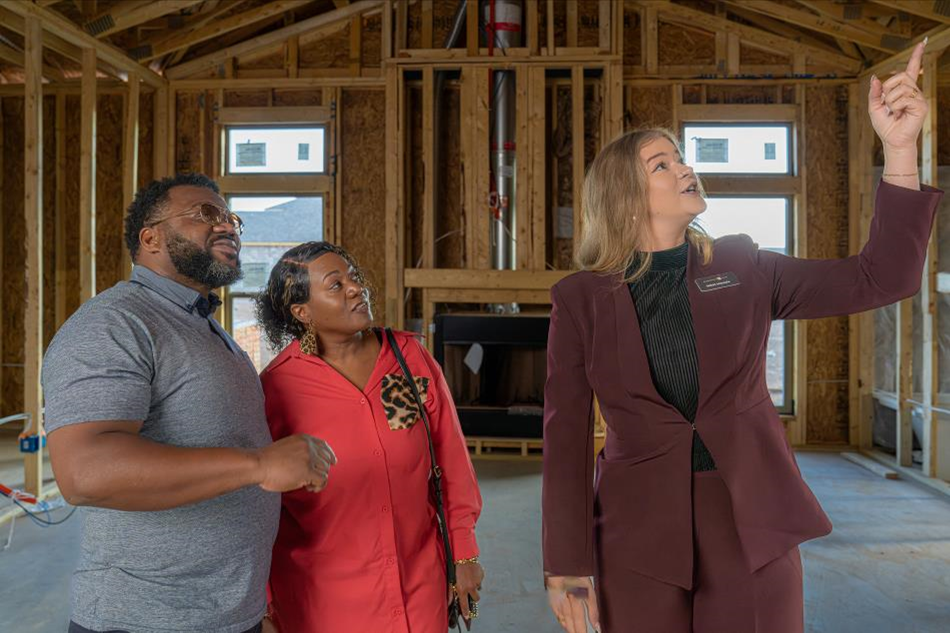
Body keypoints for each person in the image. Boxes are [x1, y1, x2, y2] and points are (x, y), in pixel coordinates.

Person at [541, 41, 942, 633]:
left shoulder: (746, 266)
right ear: (623, 198)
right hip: (636, 535)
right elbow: (566, 434)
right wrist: (567, 565)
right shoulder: (580, 298)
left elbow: (882, 277)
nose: (684, 167)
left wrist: (900, 150)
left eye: (681, 157)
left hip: (753, 521)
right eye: (662, 164)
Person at [42, 173, 336, 633]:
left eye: (231, 217)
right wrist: (258, 465)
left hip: (229, 616)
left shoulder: (202, 326)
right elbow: (85, 472)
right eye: (205, 214)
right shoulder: (116, 323)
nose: (228, 227)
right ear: (150, 237)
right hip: (144, 620)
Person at [255, 241, 484, 632]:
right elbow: (259, 504)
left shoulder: (410, 357)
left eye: (354, 277)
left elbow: (452, 460)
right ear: (302, 312)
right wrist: (265, 600)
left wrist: (463, 553)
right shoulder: (277, 387)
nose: (356, 288)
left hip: (420, 582)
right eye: (335, 284)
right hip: (324, 597)